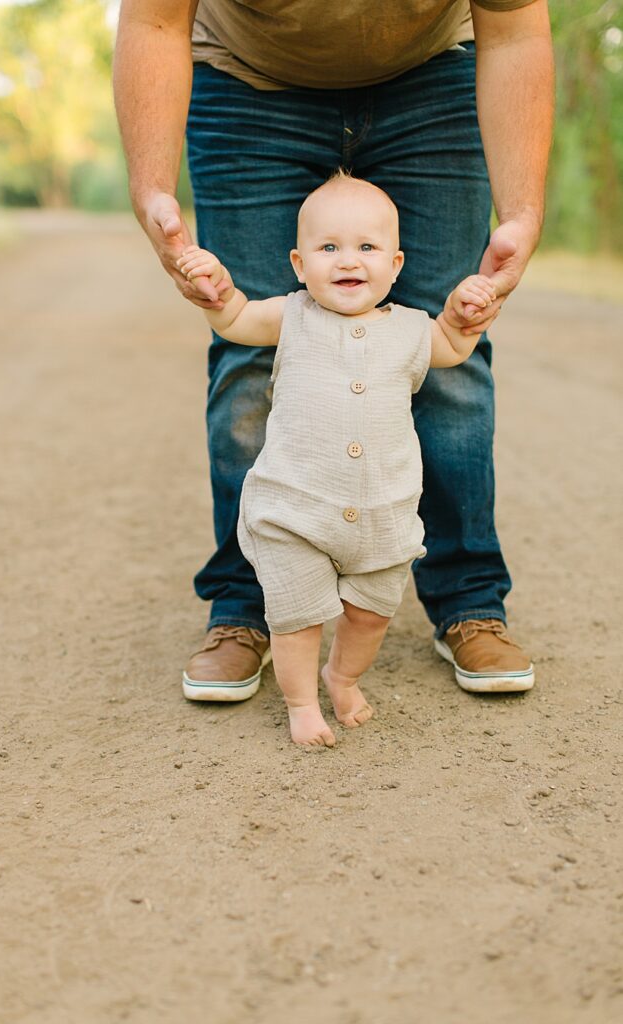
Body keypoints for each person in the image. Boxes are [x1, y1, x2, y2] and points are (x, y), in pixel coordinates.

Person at [113, 0, 554, 699]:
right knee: (253, 363)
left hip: (433, 78)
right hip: (245, 83)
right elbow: (154, 21)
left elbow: (516, 22)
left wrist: (523, 211)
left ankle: (469, 600)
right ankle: (248, 604)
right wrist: (152, 188)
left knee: (448, 367)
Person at [176, 172, 500, 746]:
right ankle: (302, 703)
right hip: (296, 512)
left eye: (367, 248)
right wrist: (219, 292)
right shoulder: (291, 315)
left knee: (371, 615)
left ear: (397, 264)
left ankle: (342, 678)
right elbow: (233, 320)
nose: (348, 261)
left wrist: (461, 317)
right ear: (299, 264)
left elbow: (451, 348)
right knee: (297, 617)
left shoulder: (409, 329)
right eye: (329, 248)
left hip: (383, 514)